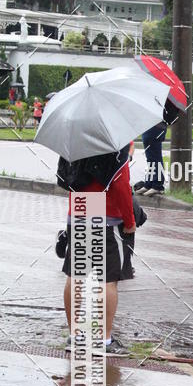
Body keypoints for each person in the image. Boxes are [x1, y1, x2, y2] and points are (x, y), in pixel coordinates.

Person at [59, 146, 135, 355]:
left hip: (80, 211)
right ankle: (104, 341)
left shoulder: (74, 140)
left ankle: (74, 337)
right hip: (107, 216)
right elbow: (120, 186)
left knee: (75, 275)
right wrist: (130, 221)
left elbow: (65, 177)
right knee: (108, 279)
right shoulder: (115, 141)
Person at [136, 121, 167, 196]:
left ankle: (158, 186)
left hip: (155, 126)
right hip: (149, 126)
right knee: (150, 159)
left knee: (155, 158)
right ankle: (149, 184)